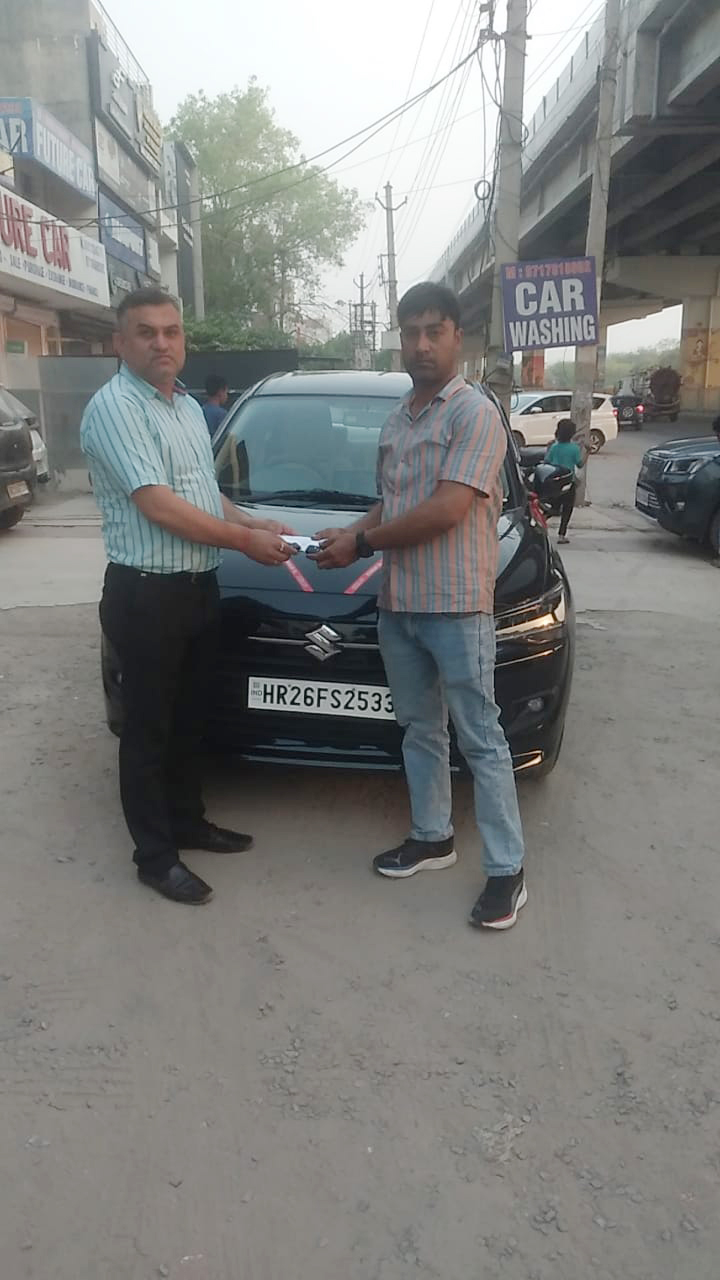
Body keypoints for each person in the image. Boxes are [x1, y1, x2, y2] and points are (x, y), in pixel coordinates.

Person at [312, 282, 527, 931]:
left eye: (434, 331)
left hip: (457, 606)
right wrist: (350, 533)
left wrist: (362, 544)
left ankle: (507, 870)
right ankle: (433, 836)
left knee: (481, 738)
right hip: (400, 602)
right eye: (411, 333)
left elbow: (447, 508)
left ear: (458, 337)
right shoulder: (400, 418)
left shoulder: (474, 413)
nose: (422, 344)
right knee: (420, 728)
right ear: (399, 340)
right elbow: (395, 503)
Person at [81, 288, 295, 905]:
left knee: (189, 720)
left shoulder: (186, 408)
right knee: (148, 730)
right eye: (145, 332)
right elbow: (159, 505)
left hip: (198, 588)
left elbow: (200, 492)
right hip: (147, 594)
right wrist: (244, 541)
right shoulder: (117, 407)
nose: (161, 343)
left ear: (184, 340)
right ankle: (154, 857)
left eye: (171, 331)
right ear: (120, 343)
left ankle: (187, 822)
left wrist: (252, 521)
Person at [545, 418, 584, 544]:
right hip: (568, 482)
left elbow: (547, 461)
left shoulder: (554, 447)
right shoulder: (574, 448)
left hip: (555, 482)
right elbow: (580, 464)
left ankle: (540, 522)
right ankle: (561, 535)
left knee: (553, 508)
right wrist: (587, 451)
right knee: (567, 509)